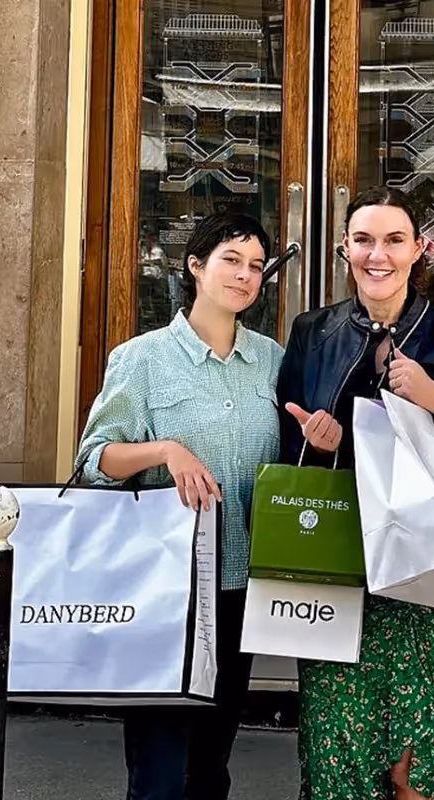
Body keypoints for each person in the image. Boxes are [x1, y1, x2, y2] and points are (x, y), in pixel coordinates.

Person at [276, 186, 434, 800]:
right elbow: (287, 450)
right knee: (334, 729)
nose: (378, 255)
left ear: (420, 249)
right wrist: (320, 441)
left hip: (424, 562)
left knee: (415, 747)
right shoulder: (312, 331)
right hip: (334, 552)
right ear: (344, 248)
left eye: (394, 240)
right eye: (363, 240)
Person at [75, 212, 283, 800]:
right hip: (166, 590)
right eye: (230, 261)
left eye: (254, 266)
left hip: (239, 586)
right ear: (195, 267)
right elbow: (95, 459)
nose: (244, 276)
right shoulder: (141, 359)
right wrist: (166, 449)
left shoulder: (270, 359)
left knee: (211, 765)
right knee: (161, 769)